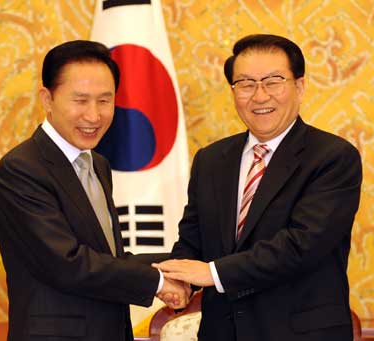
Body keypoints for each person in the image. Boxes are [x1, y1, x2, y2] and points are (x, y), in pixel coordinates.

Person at [154, 34, 362, 341]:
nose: (260, 96)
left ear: (299, 87)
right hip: (221, 332)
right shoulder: (211, 159)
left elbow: (300, 246)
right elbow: (193, 240)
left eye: (273, 81)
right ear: (234, 91)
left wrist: (211, 273)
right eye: (246, 84)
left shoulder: (332, 157)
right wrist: (176, 281)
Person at [0, 40, 190, 341]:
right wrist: (157, 281)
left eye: (104, 101)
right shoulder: (22, 169)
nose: (94, 116)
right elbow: (67, 263)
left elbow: (107, 256)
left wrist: (183, 265)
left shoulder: (97, 164)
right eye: (80, 100)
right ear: (47, 98)